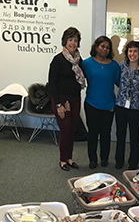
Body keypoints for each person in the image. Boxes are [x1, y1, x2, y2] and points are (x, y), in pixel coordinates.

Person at [48, 27, 86, 171]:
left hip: (75, 99)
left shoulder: (78, 60)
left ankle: (69, 158)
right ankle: (63, 160)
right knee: (65, 130)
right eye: (70, 39)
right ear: (65, 41)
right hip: (62, 101)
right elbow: (52, 84)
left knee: (72, 129)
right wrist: (58, 104)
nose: (73, 43)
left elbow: (84, 75)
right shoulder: (58, 60)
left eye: (75, 40)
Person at [82, 36, 120, 169]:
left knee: (106, 133)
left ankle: (104, 158)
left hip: (109, 105)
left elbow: (121, 83)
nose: (104, 49)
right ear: (96, 47)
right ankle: (93, 159)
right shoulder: (87, 63)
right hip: (92, 103)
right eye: (102, 46)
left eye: (107, 47)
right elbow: (77, 79)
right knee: (92, 133)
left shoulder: (114, 65)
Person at [115, 41, 139, 170]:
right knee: (120, 134)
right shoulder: (122, 66)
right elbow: (116, 80)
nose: (132, 54)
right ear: (127, 53)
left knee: (134, 135)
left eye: (135, 51)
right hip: (121, 105)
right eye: (130, 51)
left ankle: (133, 163)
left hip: (137, 107)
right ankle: (119, 161)